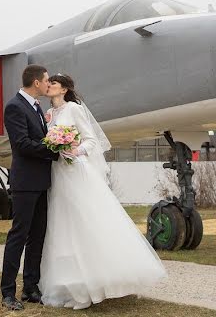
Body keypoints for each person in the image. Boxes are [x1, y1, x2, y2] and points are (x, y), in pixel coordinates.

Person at [39, 73, 167, 310]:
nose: (49, 86)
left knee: (84, 224)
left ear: (64, 89)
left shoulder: (74, 109)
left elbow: (91, 141)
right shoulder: (49, 114)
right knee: (63, 228)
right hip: (57, 174)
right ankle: (70, 287)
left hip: (75, 172)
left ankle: (92, 288)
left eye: (53, 84)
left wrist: (76, 152)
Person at [0, 65, 59, 311]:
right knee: (19, 236)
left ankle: (30, 288)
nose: (48, 84)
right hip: (24, 183)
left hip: (41, 182)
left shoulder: (37, 108)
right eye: (46, 81)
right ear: (36, 82)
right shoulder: (15, 107)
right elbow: (22, 144)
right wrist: (54, 149)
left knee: (37, 237)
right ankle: (7, 293)